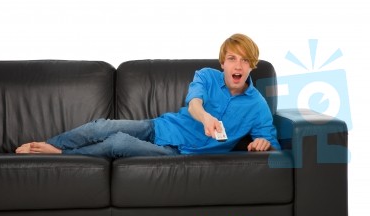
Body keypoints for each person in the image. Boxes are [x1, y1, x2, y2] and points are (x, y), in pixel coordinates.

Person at [16, 33, 280, 157]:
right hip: (160, 127)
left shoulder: (257, 105)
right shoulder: (206, 76)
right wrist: (206, 118)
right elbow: (194, 104)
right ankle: (51, 143)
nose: (237, 66)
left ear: (252, 66)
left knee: (118, 143)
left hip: (179, 154)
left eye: (244, 61)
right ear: (222, 62)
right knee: (102, 126)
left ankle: (58, 154)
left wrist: (263, 144)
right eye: (232, 59)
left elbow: (268, 140)